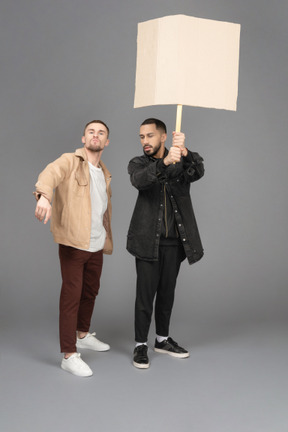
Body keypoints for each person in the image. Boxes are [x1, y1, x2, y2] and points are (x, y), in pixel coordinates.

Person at [34, 120, 113, 377]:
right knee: (71, 297)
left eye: (101, 133)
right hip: (73, 243)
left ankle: (82, 334)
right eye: (91, 131)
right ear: (83, 138)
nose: (95, 135)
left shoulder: (104, 172)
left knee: (91, 291)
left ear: (106, 142)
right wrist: (44, 196)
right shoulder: (70, 161)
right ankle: (69, 354)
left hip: (97, 244)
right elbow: (50, 173)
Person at [127, 118, 204, 369]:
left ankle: (162, 339)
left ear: (163, 137)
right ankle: (140, 344)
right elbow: (140, 180)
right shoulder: (138, 163)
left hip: (174, 243)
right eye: (141, 137)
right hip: (148, 240)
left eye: (150, 136)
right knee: (144, 296)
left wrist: (185, 152)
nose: (145, 141)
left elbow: (198, 172)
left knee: (167, 294)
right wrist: (165, 162)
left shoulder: (179, 161)